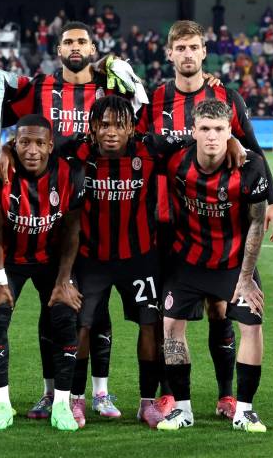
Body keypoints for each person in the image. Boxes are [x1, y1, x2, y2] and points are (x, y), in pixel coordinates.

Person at [138, 19, 273, 421]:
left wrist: (271, 201)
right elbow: (145, 147)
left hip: (219, 226)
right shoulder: (154, 100)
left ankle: (226, 394)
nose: (187, 54)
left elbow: (252, 150)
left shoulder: (226, 97)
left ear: (204, 52)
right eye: (179, 48)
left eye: (194, 47)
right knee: (167, 315)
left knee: (221, 312)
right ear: (169, 53)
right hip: (165, 224)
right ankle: (171, 398)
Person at [1, 20, 143, 419]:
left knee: (95, 308)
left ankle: (100, 392)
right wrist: (5, 149)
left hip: (100, 205)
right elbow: (11, 125)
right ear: (58, 47)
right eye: (68, 41)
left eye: (82, 41)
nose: (75, 46)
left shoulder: (111, 88)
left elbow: (141, 118)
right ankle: (56, 393)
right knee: (60, 309)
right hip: (48, 210)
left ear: (94, 47)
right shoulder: (39, 88)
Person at [62, 96, 187, 428]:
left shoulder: (150, 149)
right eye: (104, 125)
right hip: (92, 260)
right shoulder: (78, 152)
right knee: (83, 326)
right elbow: (36, 146)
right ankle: (76, 401)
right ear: (92, 129)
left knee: (150, 326)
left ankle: (147, 403)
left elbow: (193, 142)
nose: (112, 132)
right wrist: (7, 148)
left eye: (120, 125)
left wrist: (235, 147)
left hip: (140, 259)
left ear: (132, 127)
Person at [157, 99, 269, 433]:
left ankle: (245, 410)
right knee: (171, 326)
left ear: (229, 132)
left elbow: (258, 222)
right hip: (188, 261)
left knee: (252, 325)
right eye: (204, 129)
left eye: (219, 130)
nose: (211, 137)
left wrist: (247, 278)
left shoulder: (250, 168)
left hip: (234, 264)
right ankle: (183, 409)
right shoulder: (176, 160)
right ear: (193, 131)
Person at [0, 114, 85, 431]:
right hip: (9, 258)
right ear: (14, 143)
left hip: (52, 259)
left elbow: (71, 231)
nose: (32, 150)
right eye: (24, 142)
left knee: (66, 317)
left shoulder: (70, 173)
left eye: (40, 143)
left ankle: (62, 405)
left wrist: (65, 280)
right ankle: (1, 404)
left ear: (50, 146)